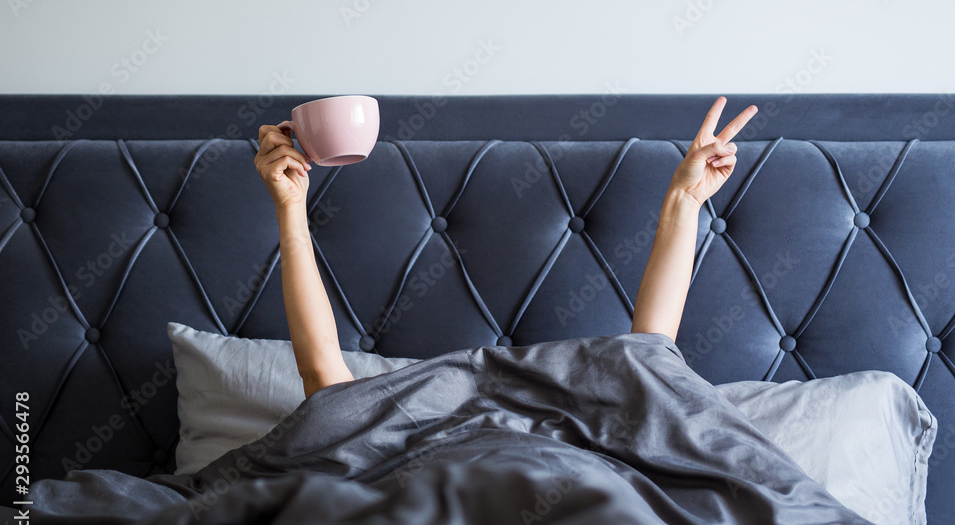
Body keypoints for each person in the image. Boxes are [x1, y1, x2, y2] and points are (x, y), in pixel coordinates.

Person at [254, 97, 758, 398]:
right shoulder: (397, 431)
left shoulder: (591, 432)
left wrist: (686, 201)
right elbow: (323, 375)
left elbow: (650, 358)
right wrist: (290, 207)